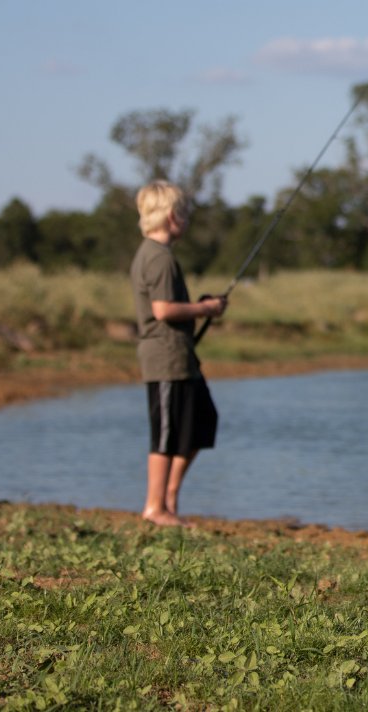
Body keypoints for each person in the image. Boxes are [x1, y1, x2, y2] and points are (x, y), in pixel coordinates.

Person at [129, 181, 227, 526]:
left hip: (181, 357)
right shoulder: (157, 258)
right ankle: (154, 508)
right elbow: (163, 310)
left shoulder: (160, 256)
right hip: (165, 359)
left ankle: (168, 500)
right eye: (184, 213)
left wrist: (201, 307)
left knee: (203, 421)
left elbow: (170, 306)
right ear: (173, 216)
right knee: (166, 435)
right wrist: (205, 310)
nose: (187, 220)